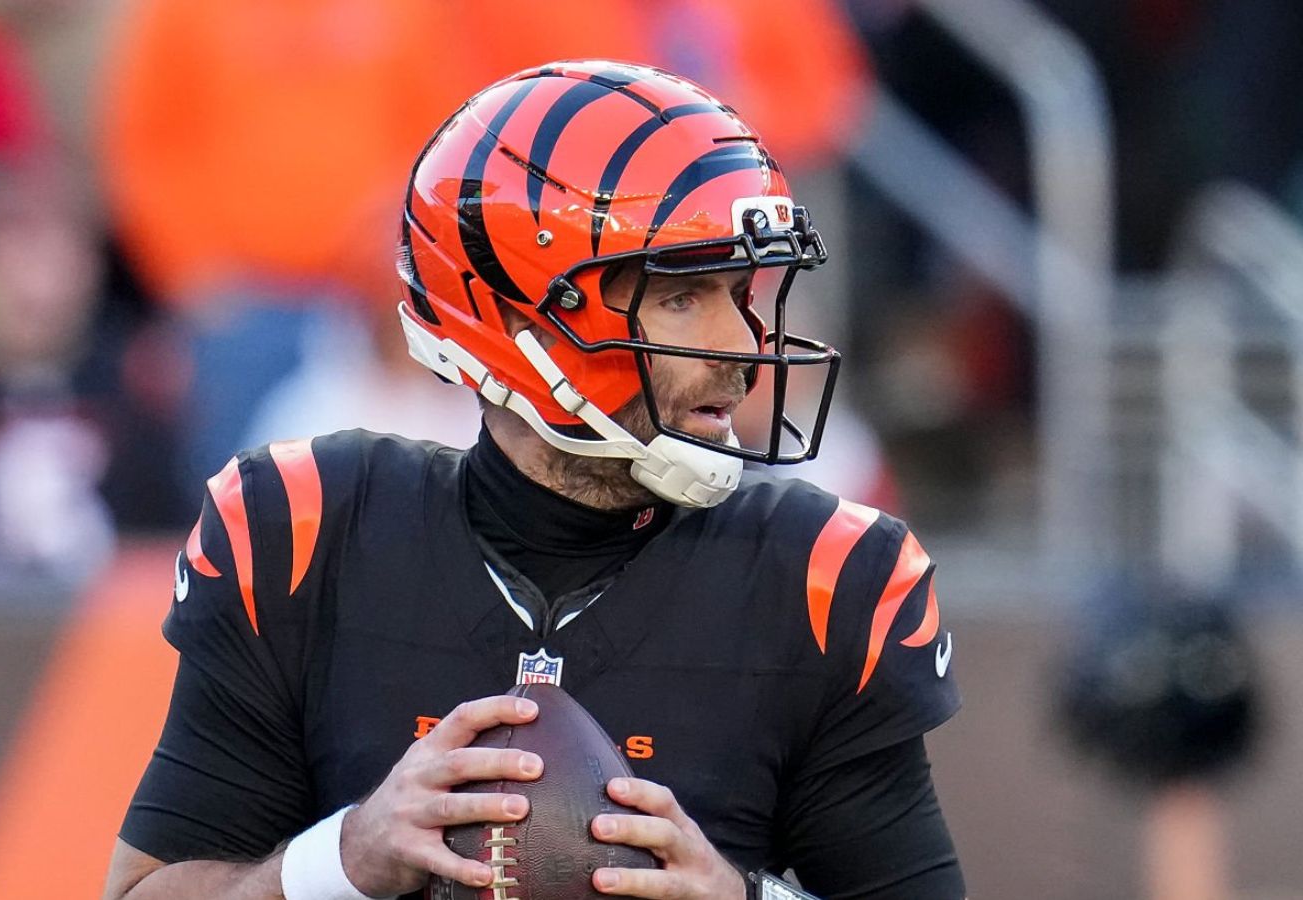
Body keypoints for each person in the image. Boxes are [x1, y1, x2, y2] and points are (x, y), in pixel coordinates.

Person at [104, 61, 964, 900]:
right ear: (521, 322)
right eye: (681, 297)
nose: (741, 348)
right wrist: (344, 861)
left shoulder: (823, 580)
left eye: (742, 293)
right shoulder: (305, 531)